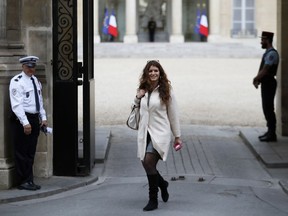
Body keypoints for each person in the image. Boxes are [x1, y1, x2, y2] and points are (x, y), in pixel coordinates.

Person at [132, 60, 182, 211]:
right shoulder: (143, 89)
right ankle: (163, 184)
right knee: (146, 164)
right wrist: (137, 97)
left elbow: (173, 114)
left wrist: (177, 136)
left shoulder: (166, 90)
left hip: (160, 132)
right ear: (146, 73)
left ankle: (153, 200)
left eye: (156, 71)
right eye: (151, 71)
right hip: (144, 132)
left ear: (160, 73)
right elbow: (135, 109)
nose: (153, 73)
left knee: (148, 162)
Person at [9, 56, 48, 190]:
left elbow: (39, 100)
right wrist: (25, 123)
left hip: (34, 118)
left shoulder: (35, 80)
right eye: (28, 67)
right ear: (23, 67)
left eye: (33, 67)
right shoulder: (17, 81)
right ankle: (23, 181)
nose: (31, 69)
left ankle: (29, 180)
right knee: (22, 152)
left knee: (31, 151)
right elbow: (17, 105)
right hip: (22, 119)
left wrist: (43, 117)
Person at [253, 31, 279, 142]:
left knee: (269, 108)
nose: (261, 42)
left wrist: (256, 78)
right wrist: (259, 79)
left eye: (263, 40)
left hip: (269, 83)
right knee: (266, 108)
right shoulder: (268, 53)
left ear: (267, 40)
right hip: (266, 83)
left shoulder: (272, 54)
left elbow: (266, 69)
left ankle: (272, 134)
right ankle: (269, 131)